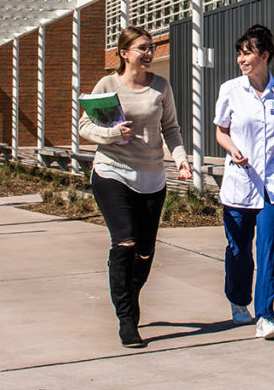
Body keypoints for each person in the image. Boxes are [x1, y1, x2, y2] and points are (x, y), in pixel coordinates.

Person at [79, 25, 193, 348]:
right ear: (124, 53)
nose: (148, 53)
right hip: (112, 171)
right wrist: (115, 134)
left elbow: (171, 129)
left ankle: (129, 293)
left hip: (152, 178)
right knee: (125, 242)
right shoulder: (108, 84)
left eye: (151, 47)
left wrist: (181, 160)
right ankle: (127, 320)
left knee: (144, 252)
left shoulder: (161, 87)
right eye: (141, 47)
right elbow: (85, 125)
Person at [214, 24, 274, 340]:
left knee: (269, 246)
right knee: (239, 249)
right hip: (240, 178)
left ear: (264, 55)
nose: (241, 59)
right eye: (239, 53)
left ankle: (265, 315)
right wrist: (232, 149)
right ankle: (238, 301)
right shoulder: (230, 90)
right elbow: (221, 130)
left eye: (247, 53)